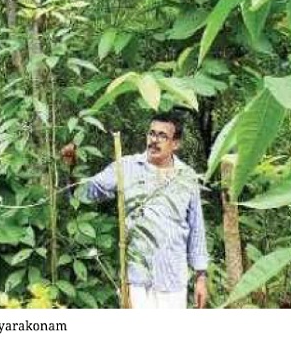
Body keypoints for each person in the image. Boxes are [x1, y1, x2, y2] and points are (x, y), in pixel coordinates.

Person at [61, 112, 209, 309]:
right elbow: (85, 193)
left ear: (176, 144)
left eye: (163, 136)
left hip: (172, 279)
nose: (154, 140)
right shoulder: (126, 167)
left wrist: (201, 277)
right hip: (136, 280)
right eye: (151, 133)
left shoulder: (187, 177)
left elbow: (196, 228)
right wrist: (71, 168)